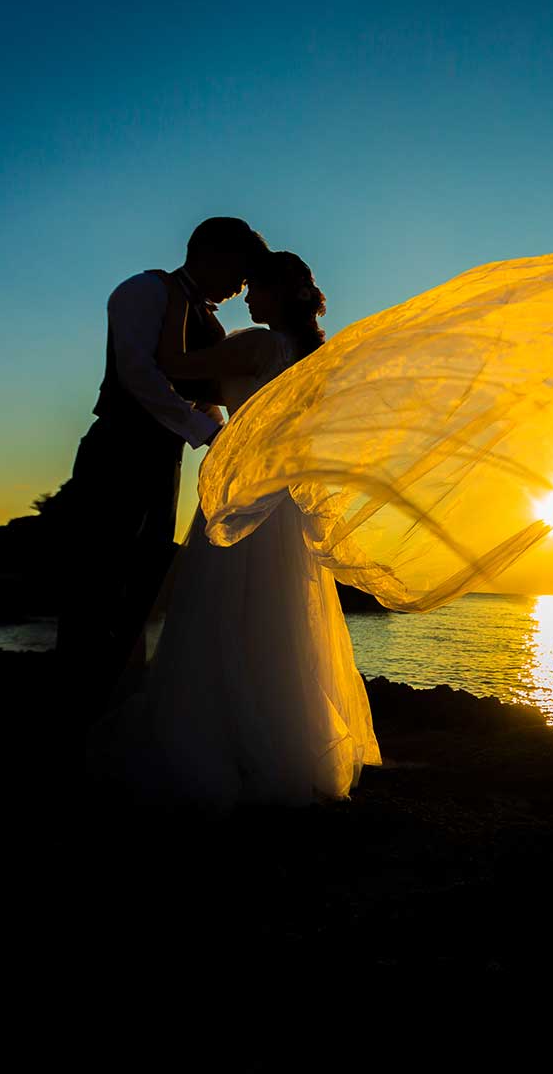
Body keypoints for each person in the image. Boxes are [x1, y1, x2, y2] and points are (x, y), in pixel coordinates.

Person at [87, 251, 382, 809]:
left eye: (257, 289)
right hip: (282, 503)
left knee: (218, 615)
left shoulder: (259, 344)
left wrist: (177, 298)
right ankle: (280, 745)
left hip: (245, 501)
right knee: (276, 620)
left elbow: (172, 363)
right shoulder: (307, 356)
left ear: (278, 294)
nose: (247, 298)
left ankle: (216, 739)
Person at [57, 217, 269, 724]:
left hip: (164, 456)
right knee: (97, 578)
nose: (242, 288)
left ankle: (111, 699)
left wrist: (225, 435)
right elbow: (137, 372)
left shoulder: (207, 318)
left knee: (143, 576)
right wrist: (206, 430)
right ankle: (73, 704)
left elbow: (203, 390)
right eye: (241, 272)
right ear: (213, 253)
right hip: (119, 447)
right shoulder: (144, 290)